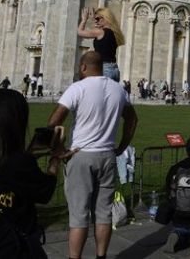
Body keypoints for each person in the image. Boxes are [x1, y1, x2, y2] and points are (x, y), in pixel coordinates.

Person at [0, 89, 70, 258]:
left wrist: (30, 155)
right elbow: (45, 191)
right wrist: (55, 159)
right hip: (12, 249)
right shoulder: (17, 162)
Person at [47, 51, 138, 259]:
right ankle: (100, 256)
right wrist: (122, 146)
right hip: (107, 155)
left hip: (81, 155)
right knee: (103, 214)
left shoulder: (77, 88)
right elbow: (132, 120)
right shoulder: (118, 90)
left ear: (83, 67)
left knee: (79, 216)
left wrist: (59, 151)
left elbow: (54, 121)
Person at [77, 7, 125, 82]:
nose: (96, 21)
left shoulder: (100, 32)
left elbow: (80, 32)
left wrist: (84, 20)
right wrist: (95, 19)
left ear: (105, 18)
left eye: (98, 19)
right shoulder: (115, 33)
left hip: (104, 68)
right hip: (114, 69)